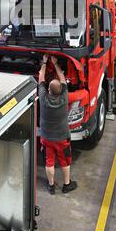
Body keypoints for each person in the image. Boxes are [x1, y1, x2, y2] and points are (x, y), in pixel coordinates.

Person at [38, 54, 77, 195]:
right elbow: (62, 76)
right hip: (62, 139)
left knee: (49, 162)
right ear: (61, 90)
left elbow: (41, 77)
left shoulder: (43, 99)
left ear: (48, 90)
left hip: (47, 138)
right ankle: (67, 185)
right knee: (65, 161)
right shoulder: (64, 98)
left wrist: (44, 62)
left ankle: (51, 186)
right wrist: (55, 63)